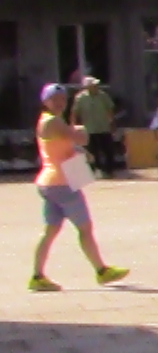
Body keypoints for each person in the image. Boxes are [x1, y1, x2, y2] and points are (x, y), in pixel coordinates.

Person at [29, 84, 130, 292]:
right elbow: (81, 137)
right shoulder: (54, 121)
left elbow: (66, 143)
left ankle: (37, 275)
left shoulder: (46, 121)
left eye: (62, 99)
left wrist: (78, 148)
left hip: (50, 181)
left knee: (50, 231)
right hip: (63, 182)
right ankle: (101, 270)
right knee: (85, 228)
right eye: (54, 99)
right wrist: (81, 131)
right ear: (45, 101)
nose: (59, 103)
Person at [70, 77, 118, 177]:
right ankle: (95, 171)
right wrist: (73, 126)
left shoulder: (103, 95)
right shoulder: (80, 98)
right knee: (93, 152)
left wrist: (112, 123)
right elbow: (75, 112)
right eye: (94, 85)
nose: (96, 87)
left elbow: (110, 109)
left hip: (103, 127)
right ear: (87, 87)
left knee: (108, 150)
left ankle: (109, 171)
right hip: (90, 129)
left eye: (97, 85)